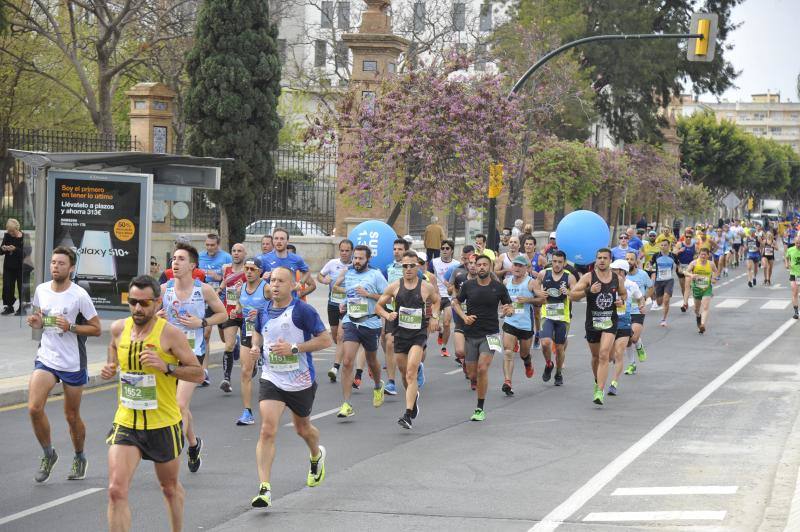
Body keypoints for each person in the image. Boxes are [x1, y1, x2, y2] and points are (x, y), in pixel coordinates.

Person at [102, 275, 203, 532]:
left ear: (157, 302)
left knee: (169, 488)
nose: (137, 308)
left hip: (163, 423)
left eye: (144, 303)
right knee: (116, 490)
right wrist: (111, 366)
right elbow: (113, 347)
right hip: (126, 421)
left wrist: (166, 367)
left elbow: (198, 373)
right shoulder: (119, 328)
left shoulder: (170, 335)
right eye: (133, 302)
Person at [248, 268, 332, 508]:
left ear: (293, 285)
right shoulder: (263, 310)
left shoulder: (303, 311)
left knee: (302, 428)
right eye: (272, 280)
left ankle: (316, 454)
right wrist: (255, 347)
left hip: (300, 380)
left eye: (281, 281)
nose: (275, 285)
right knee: (267, 429)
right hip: (272, 377)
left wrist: (294, 348)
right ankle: (264, 488)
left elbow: (326, 340)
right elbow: (257, 334)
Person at [26, 247, 102, 482]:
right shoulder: (41, 290)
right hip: (47, 357)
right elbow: (39, 320)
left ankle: (79, 456)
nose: (55, 266)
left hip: (72, 361)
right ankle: (49, 454)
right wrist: (35, 322)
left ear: (71, 268)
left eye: (60, 263)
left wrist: (70, 326)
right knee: (34, 408)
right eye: (53, 262)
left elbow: (97, 329)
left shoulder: (79, 295)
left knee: (71, 415)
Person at [160, 242, 227, 473]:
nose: (175, 263)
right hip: (168, 354)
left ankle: (172, 456)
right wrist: (157, 317)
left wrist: (202, 322)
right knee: (179, 406)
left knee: (180, 404)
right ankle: (193, 444)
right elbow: (150, 317)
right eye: (174, 259)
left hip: (193, 354)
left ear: (192, 265)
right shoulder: (164, 289)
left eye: (180, 259)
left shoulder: (204, 290)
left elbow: (223, 314)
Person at [376, 250, 440, 429]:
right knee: (405, 375)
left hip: (418, 335)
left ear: (418, 266)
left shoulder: (425, 287)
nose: (409, 269)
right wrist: (387, 315)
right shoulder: (395, 286)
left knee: (411, 372)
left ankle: (407, 414)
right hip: (400, 334)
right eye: (405, 266)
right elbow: (378, 306)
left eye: (412, 265)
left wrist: (434, 317)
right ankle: (413, 398)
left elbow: (436, 301)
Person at [452, 255, 513, 421]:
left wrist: (509, 310)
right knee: (473, 375)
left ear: (490, 267)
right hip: (471, 334)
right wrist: (464, 317)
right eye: (478, 265)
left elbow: (508, 305)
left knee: (482, 369)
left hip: (490, 334)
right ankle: (470, 371)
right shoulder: (468, 286)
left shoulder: (498, 287)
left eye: (485, 265)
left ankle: (479, 408)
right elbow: (455, 302)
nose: (481, 267)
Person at [332, 245, 389, 417]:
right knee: (348, 361)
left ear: (368, 259)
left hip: (370, 323)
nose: (356, 261)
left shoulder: (376, 275)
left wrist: (368, 294)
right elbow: (350, 294)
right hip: (351, 321)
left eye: (360, 258)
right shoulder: (348, 273)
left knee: (372, 361)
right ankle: (347, 404)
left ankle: (378, 385)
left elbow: (387, 296)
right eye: (355, 258)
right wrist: (345, 303)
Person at [570, 248, 626, 406]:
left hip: (610, 321)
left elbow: (624, 294)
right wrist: (589, 291)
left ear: (610, 260)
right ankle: (598, 381)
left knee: (604, 355)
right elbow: (572, 295)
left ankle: (600, 391)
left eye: (605, 258)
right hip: (593, 323)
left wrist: (621, 301)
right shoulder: (589, 277)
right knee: (595, 357)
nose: (601, 261)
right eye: (599, 258)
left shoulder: (617, 278)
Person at [234, 257, 268, 425]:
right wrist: (236, 311)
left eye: (252, 269)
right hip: (248, 330)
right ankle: (247, 412)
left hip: (267, 331)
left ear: (259, 271)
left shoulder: (266, 288)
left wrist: (261, 313)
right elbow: (240, 306)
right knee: (245, 371)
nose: (248, 272)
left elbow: (279, 306)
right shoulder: (241, 289)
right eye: (246, 268)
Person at [534, 250, 575, 386]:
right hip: (547, 314)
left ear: (564, 263)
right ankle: (548, 364)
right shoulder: (544, 273)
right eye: (555, 261)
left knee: (559, 348)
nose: (557, 265)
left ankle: (558, 373)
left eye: (560, 262)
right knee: (545, 343)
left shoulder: (569, 277)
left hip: (563, 317)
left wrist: (568, 292)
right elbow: (534, 285)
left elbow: (576, 294)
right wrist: (540, 292)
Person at [317, 239, 354, 384]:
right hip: (332, 303)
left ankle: (335, 367)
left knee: (340, 335)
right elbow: (320, 275)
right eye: (342, 250)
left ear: (352, 251)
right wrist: (324, 280)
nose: (344, 253)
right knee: (335, 334)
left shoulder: (354, 265)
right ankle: (343, 351)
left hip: (347, 306)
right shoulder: (332, 263)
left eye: (347, 250)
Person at [199, 233, 232, 386]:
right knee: (205, 334)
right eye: (207, 245)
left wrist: (218, 277)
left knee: (226, 339)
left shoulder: (226, 258)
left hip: (222, 300)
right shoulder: (200, 257)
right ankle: (204, 371)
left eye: (212, 245)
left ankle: (234, 341)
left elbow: (232, 278)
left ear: (218, 245)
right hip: (205, 300)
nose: (209, 248)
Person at [501, 255, 537, 395]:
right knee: (508, 352)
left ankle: (527, 362)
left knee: (524, 353)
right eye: (515, 265)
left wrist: (528, 299)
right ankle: (508, 381)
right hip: (510, 321)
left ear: (526, 268)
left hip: (525, 324)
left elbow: (542, 300)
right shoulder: (506, 282)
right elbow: (500, 300)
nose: (516, 267)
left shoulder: (531, 283)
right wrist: (504, 309)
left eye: (520, 266)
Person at [607, 260, 644, 396]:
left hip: (623, 321)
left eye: (614, 269)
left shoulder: (631, 285)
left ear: (622, 271)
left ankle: (614, 384)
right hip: (609, 322)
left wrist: (641, 305)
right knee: (609, 356)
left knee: (619, 353)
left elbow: (640, 298)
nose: (611, 271)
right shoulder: (607, 282)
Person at [219, 243, 247, 395]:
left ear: (245, 254)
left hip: (246, 313)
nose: (236, 253)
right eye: (234, 251)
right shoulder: (225, 269)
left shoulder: (248, 270)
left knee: (246, 348)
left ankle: (252, 365)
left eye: (239, 251)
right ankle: (226, 379)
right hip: (230, 312)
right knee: (228, 345)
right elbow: (221, 283)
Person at [260, 228, 316, 298]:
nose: (279, 241)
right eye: (276, 238)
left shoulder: (296, 259)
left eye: (282, 239)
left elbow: (307, 271)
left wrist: (300, 283)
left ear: (287, 241)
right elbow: (253, 281)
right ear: (273, 241)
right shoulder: (263, 259)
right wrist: (262, 278)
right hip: (272, 302)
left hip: (291, 301)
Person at [624, 251, 652, 375]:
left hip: (638, 310)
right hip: (624, 311)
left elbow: (651, 287)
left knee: (634, 337)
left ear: (636, 261)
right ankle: (632, 364)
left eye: (631, 259)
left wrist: (644, 298)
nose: (629, 261)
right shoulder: (622, 277)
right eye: (627, 259)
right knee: (627, 340)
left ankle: (639, 345)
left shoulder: (643, 274)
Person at [431, 239, 459, 357]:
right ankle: (441, 332)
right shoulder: (434, 262)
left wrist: (452, 289)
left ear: (452, 250)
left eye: (447, 248)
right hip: (436, 296)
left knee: (447, 322)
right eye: (442, 248)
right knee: (435, 325)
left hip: (448, 296)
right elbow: (429, 276)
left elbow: (458, 281)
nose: (444, 251)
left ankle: (444, 347)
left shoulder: (456, 264)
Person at [686, 247, 717, 333]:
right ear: (699, 255)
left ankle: (702, 324)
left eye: (705, 254)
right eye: (701, 254)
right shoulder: (694, 263)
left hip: (707, 288)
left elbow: (715, 271)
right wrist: (690, 275)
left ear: (708, 255)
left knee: (706, 306)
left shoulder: (711, 264)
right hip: (696, 288)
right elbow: (686, 272)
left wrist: (714, 278)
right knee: (696, 308)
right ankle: (698, 316)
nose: (703, 256)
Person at [649, 240, 679, 327]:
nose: (663, 247)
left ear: (668, 246)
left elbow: (678, 264)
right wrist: (650, 267)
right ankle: (655, 298)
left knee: (666, 299)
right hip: (659, 281)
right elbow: (650, 263)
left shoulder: (673, 256)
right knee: (659, 302)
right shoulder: (656, 255)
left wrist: (680, 269)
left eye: (665, 245)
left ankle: (664, 319)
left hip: (669, 280)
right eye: (661, 245)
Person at [1, 218, 24, 315]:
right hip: (8, 266)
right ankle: (9, 306)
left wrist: (15, 249)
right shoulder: (7, 236)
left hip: (20, 266)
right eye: (9, 231)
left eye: (12, 231)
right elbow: (1, 251)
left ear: (17, 228)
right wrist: (3, 249)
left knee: (21, 287)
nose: (11, 233)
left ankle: (22, 308)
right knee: (7, 286)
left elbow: (27, 252)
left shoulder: (24, 237)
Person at [674, 228, 696, 313]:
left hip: (689, 268)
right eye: (687, 237)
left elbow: (697, 255)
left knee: (687, 285)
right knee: (683, 287)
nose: (688, 238)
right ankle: (685, 301)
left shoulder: (694, 245)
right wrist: (679, 251)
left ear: (692, 237)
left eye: (690, 237)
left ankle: (684, 303)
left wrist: (695, 258)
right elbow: (674, 253)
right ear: (684, 236)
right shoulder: (680, 244)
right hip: (680, 267)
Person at [785, 233, 800, 320]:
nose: (798, 244)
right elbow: (786, 257)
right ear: (794, 242)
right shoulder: (790, 250)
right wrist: (787, 264)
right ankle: (796, 312)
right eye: (797, 243)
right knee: (794, 292)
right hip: (794, 273)